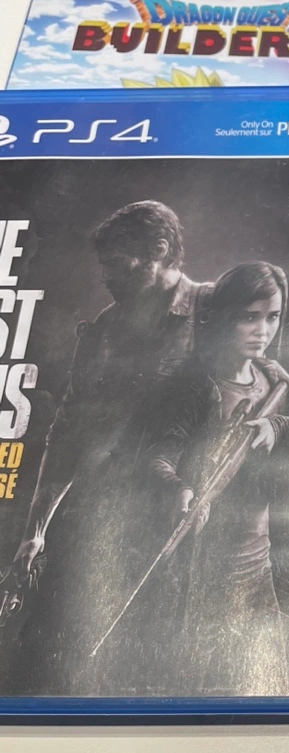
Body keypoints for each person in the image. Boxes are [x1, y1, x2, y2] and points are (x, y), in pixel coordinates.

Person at [6, 201, 212, 693]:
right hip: (101, 522)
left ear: (159, 250)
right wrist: (36, 532)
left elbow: (247, 407)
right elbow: (67, 432)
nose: (106, 278)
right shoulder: (105, 329)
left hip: (189, 527)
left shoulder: (216, 310)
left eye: (117, 264)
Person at [146, 262, 289, 697]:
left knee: (269, 678)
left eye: (272, 317)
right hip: (201, 570)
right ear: (223, 316)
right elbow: (159, 456)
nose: (262, 331)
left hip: (257, 560)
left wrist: (280, 426)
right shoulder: (196, 384)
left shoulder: (271, 376)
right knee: (199, 686)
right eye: (249, 317)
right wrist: (178, 489)